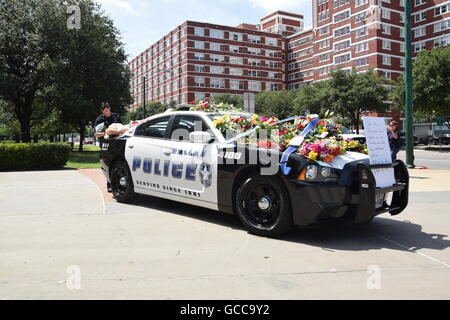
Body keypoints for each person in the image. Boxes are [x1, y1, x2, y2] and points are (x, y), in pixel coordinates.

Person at [94, 102, 122, 193]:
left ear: (109, 108)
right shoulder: (99, 119)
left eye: (107, 110)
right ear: (102, 111)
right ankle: (109, 184)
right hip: (105, 144)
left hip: (117, 143)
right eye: (104, 111)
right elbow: (95, 134)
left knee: (117, 163)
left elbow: (121, 128)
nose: (106, 113)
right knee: (108, 164)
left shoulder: (116, 117)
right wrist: (105, 133)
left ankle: (118, 183)